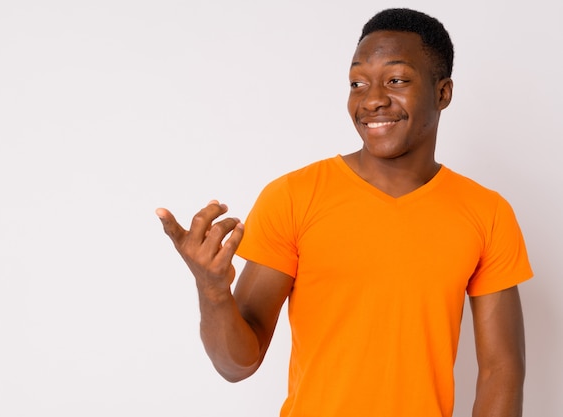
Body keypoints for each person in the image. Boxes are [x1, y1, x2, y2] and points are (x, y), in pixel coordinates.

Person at [156, 8, 533, 417]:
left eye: (396, 80)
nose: (372, 99)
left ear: (442, 93)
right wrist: (212, 293)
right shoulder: (294, 197)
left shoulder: (486, 212)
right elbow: (237, 365)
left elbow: (501, 371)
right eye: (358, 83)